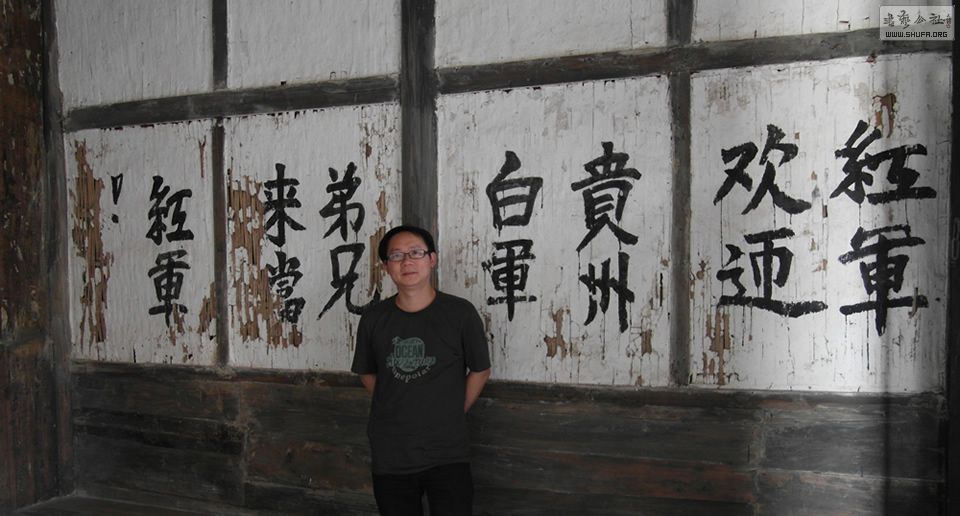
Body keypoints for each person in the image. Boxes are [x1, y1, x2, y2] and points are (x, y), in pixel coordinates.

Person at [351, 225, 492, 516]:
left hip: (447, 451)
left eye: (416, 252)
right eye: (397, 255)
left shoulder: (460, 313)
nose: (407, 261)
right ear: (386, 267)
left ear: (432, 259)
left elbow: (480, 369)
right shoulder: (374, 318)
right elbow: (366, 372)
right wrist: (394, 401)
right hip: (391, 451)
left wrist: (454, 409)